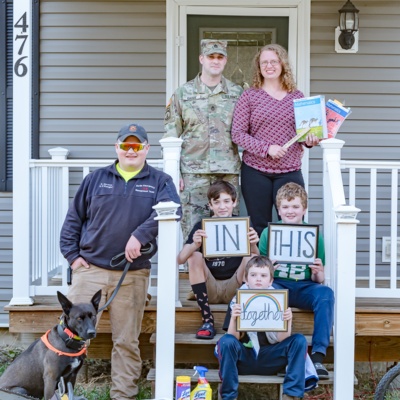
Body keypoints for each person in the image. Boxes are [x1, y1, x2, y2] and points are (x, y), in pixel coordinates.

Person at [59, 123, 181, 400]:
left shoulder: (160, 181)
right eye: (125, 145)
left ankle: (122, 396)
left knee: (126, 342)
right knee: (68, 335)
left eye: (136, 146)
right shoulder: (96, 179)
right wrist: (73, 257)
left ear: (146, 149)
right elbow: (73, 220)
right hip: (90, 270)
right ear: (116, 148)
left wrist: (140, 235)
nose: (130, 150)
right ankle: (60, 393)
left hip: (133, 274)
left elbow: (174, 211)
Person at [231, 44, 320, 237]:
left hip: (289, 170)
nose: (269, 66)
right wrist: (266, 148)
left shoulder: (297, 97)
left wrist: (310, 141)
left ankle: (290, 267)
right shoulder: (249, 96)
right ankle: (263, 267)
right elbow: (237, 133)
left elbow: (304, 134)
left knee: (293, 223)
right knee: (260, 226)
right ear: (258, 67)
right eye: (264, 62)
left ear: (282, 65)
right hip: (255, 171)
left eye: (274, 61)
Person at [164, 39, 243, 241]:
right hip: (193, 173)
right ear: (202, 59)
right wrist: (175, 172)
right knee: (194, 231)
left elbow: (247, 130)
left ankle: (226, 273)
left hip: (227, 172)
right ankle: (194, 273)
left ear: (225, 61)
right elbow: (171, 134)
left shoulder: (237, 93)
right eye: (211, 56)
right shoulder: (183, 94)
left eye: (220, 57)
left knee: (227, 234)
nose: (215, 61)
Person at [259, 182, 334, 379]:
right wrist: (269, 270)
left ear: (304, 209)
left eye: (295, 207)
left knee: (326, 293)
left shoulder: (314, 236)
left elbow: (319, 279)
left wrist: (318, 271)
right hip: (279, 283)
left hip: (304, 286)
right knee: (266, 292)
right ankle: (279, 355)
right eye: (285, 207)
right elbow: (260, 275)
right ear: (278, 210)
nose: (290, 211)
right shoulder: (269, 233)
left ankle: (317, 357)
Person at [216, 255, 315, 400]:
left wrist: (287, 321)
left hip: (270, 358)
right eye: (253, 275)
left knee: (299, 340)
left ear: (271, 280)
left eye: (263, 275)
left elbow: (282, 339)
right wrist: (234, 318)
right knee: (225, 341)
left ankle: (292, 394)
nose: (258, 279)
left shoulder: (279, 299)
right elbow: (232, 338)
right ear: (246, 279)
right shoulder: (237, 300)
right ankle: (229, 396)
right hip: (244, 358)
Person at [177, 180, 259, 340]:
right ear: (210, 205)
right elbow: (180, 259)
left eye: (227, 201)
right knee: (194, 255)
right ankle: (207, 319)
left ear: (234, 203)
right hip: (209, 286)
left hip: (236, 287)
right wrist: (195, 244)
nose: (222, 206)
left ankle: (243, 317)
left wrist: (254, 245)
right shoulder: (202, 225)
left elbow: (257, 258)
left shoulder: (242, 224)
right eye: (217, 202)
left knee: (252, 257)